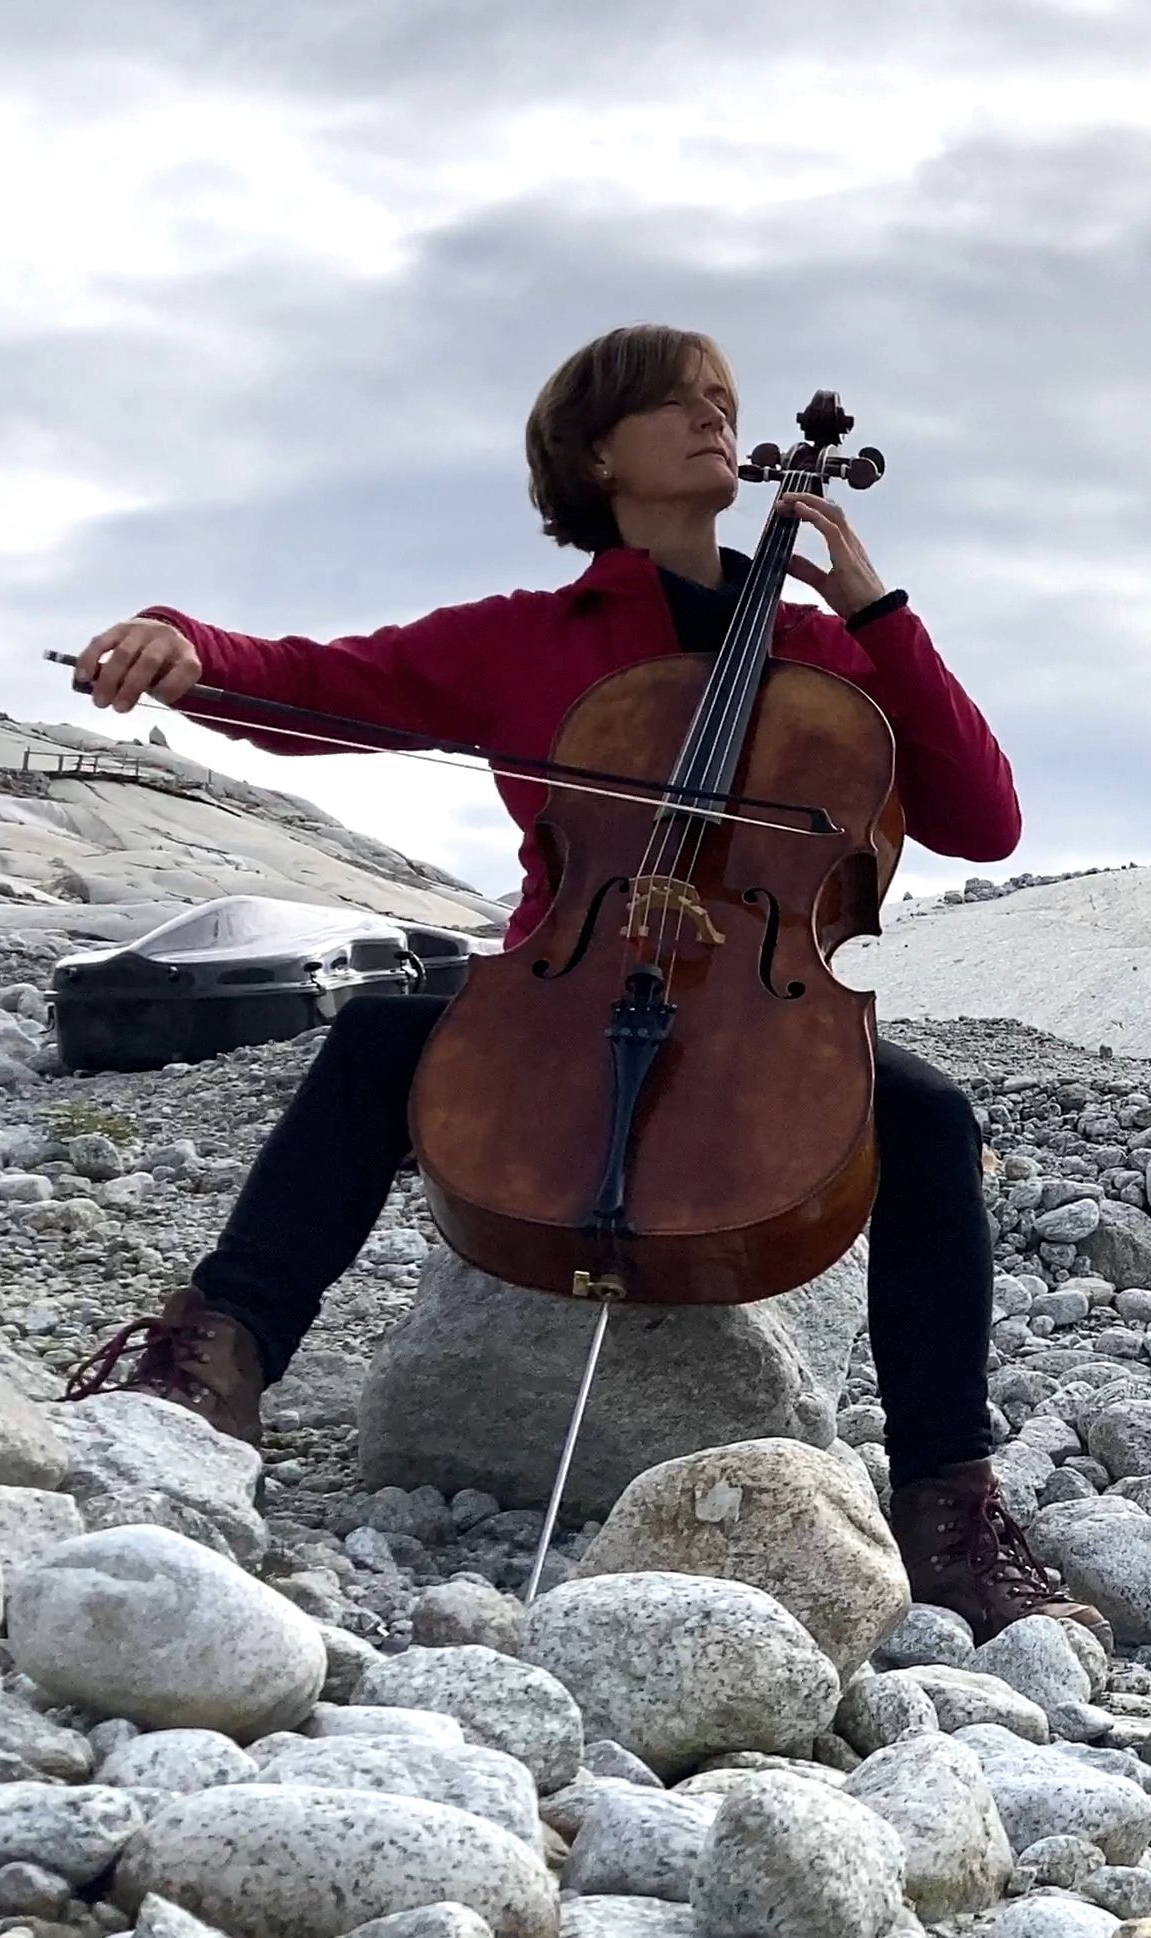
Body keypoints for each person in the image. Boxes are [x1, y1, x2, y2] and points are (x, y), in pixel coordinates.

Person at [61, 323, 1088, 1641]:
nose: (717, 421)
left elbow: (982, 822)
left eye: (725, 402)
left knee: (931, 1121)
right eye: (678, 404)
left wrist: (876, 611)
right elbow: (316, 687)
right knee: (382, 1032)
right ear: (597, 451)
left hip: (756, 1014)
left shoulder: (827, 661)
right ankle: (216, 1360)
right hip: (562, 987)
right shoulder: (528, 637)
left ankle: (949, 1501)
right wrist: (180, 641)